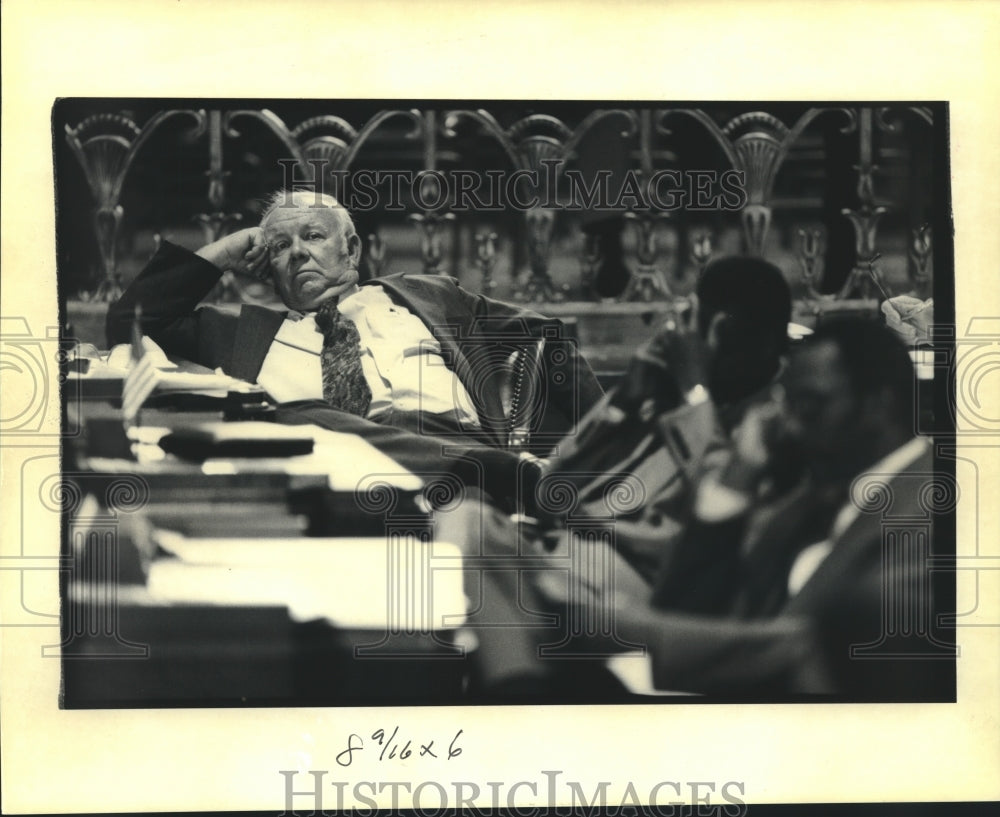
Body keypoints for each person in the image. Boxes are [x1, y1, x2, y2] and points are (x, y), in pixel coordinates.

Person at [538, 318, 952, 699]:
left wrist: (619, 627)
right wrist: (735, 484)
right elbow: (686, 611)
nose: (790, 426)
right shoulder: (799, 505)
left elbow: (820, 647)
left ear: (879, 404)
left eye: (809, 406)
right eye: (786, 406)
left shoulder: (936, 510)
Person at [107, 190, 603, 507]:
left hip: (467, 464)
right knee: (290, 414)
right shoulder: (239, 331)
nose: (298, 251)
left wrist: (604, 451)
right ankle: (507, 476)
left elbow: (546, 337)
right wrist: (230, 247)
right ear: (266, 266)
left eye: (314, 236)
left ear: (353, 250)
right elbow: (132, 319)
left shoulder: (421, 295)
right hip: (343, 478)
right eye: (280, 246)